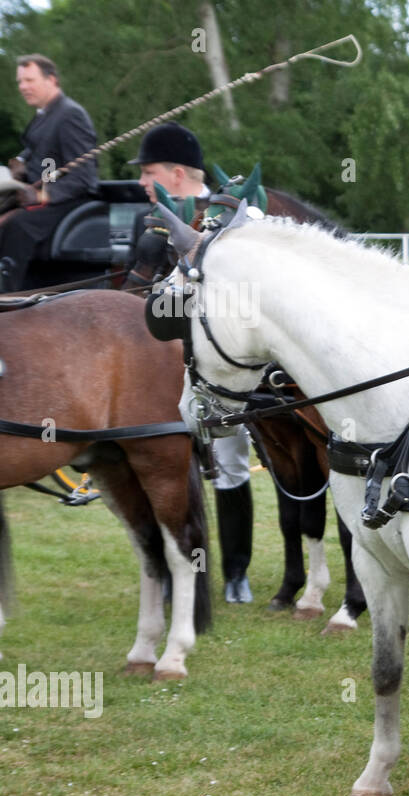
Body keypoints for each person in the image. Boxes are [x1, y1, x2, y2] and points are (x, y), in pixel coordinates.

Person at [128, 122, 256, 604]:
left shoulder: (234, 213)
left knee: (229, 462)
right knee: (157, 464)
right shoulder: (150, 221)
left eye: (149, 172)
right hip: (155, 359)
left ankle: (236, 571)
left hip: (218, 361)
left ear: (177, 173)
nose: (143, 182)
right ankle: (168, 568)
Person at [0, 54, 98, 293]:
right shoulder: (45, 114)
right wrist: (20, 162)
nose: (23, 87)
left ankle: (9, 295)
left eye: (29, 80)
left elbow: (84, 177)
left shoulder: (70, 114)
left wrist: (44, 195)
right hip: (40, 195)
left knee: (16, 225)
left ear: (51, 80)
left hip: (68, 201)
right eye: (20, 82)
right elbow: (43, 149)